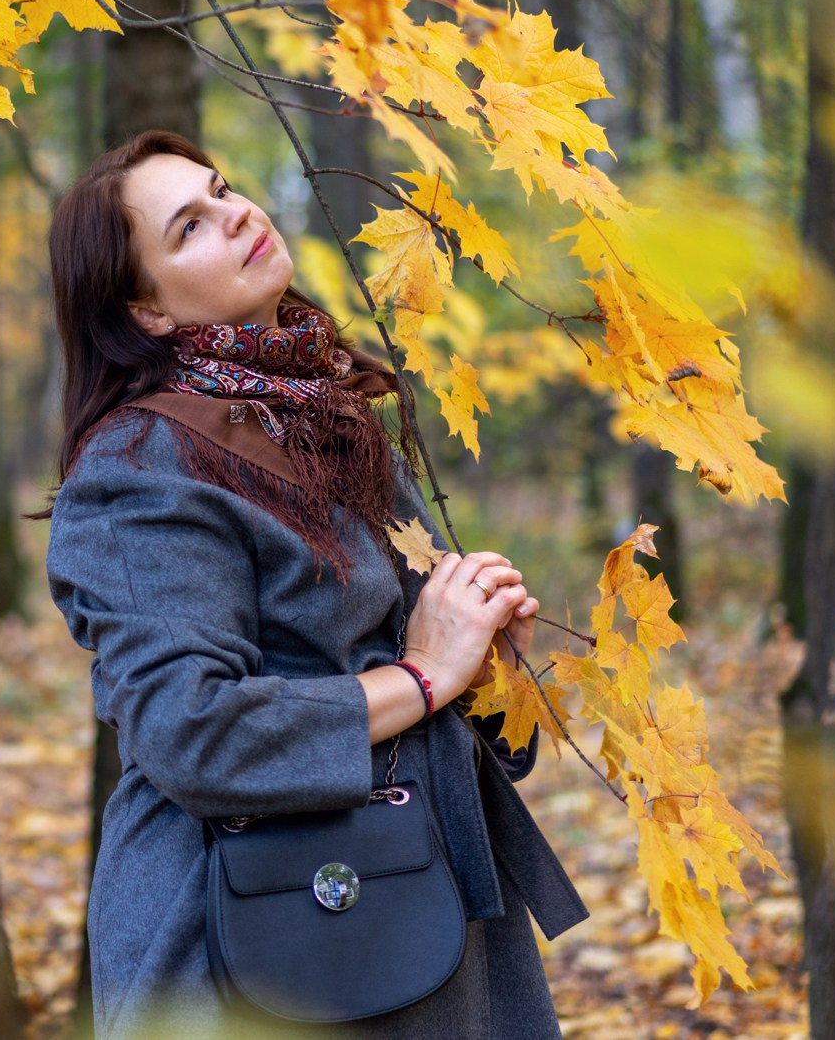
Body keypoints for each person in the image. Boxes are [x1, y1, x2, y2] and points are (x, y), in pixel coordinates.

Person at [45, 131, 588, 1038]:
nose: (238, 213)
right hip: (254, 944)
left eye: (223, 190)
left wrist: (484, 662)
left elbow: (420, 674)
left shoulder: (320, 410)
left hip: (422, 906)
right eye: (191, 226)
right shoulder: (140, 466)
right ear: (145, 308)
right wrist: (420, 675)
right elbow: (192, 730)